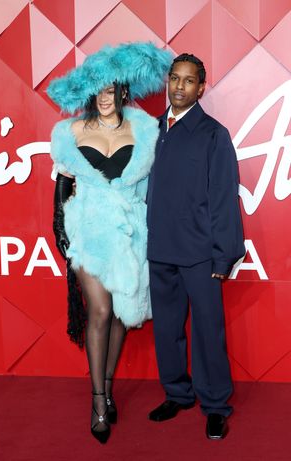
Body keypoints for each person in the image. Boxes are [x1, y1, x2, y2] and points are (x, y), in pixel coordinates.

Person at [47, 42, 172, 444]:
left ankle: (108, 383)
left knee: (121, 313)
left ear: (121, 92)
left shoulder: (145, 129)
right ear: (90, 94)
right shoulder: (71, 132)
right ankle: (98, 399)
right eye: (97, 91)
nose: (103, 98)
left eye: (110, 90)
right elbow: (63, 187)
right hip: (86, 230)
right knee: (99, 310)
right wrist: (63, 234)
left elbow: (154, 187)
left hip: (131, 230)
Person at [146, 53, 245, 439]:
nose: (180, 87)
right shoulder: (151, 131)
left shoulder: (213, 135)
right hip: (160, 249)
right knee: (167, 330)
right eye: (175, 79)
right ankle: (177, 393)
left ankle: (216, 404)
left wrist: (225, 253)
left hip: (201, 253)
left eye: (189, 81)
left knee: (208, 331)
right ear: (168, 82)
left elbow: (223, 197)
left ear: (201, 88)